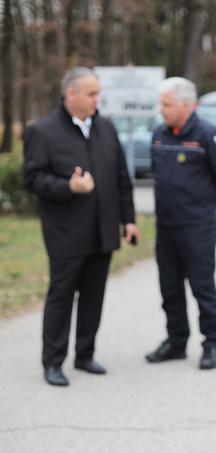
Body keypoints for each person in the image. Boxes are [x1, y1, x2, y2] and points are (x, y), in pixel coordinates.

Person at [23, 67, 139, 387]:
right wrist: (68, 186)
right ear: (70, 94)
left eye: (98, 93)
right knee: (61, 296)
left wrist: (128, 220)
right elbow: (32, 178)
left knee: (94, 295)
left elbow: (121, 179)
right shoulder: (43, 131)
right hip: (65, 232)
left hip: (102, 230)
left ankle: (85, 354)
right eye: (91, 94)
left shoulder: (105, 127)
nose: (96, 100)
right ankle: (53, 362)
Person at [144, 77, 216, 370]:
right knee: (169, 289)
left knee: (202, 288)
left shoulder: (209, 135)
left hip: (197, 228)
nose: (161, 110)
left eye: (166, 104)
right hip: (166, 228)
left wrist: (203, 208)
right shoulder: (158, 134)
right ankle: (176, 341)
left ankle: (211, 344)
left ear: (185, 105)